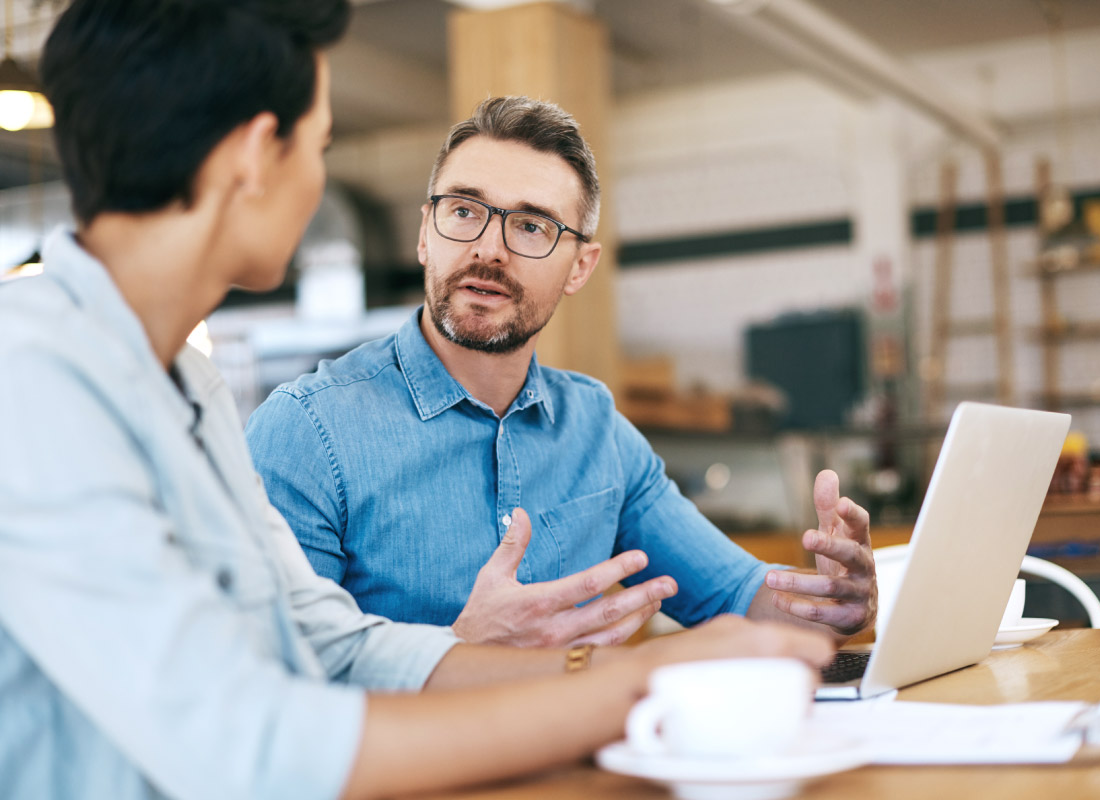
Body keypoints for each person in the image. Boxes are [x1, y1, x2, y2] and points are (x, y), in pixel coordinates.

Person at [0, 2, 836, 798]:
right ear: (257, 156)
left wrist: (623, 667)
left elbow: (332, 643)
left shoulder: (187, 381)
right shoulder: (28, 378)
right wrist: (641, 684)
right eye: (320, 145)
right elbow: (247, 740)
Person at [245, 95, 878, 649]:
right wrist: (460, 648)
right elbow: (270, 687)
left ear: (580, 267)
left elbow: (739, 597)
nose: (488, 248)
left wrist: (830, 606)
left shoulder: (596, 428)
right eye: (464, 211)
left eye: (530, 226)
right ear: (424, 235)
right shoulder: (306, 432)